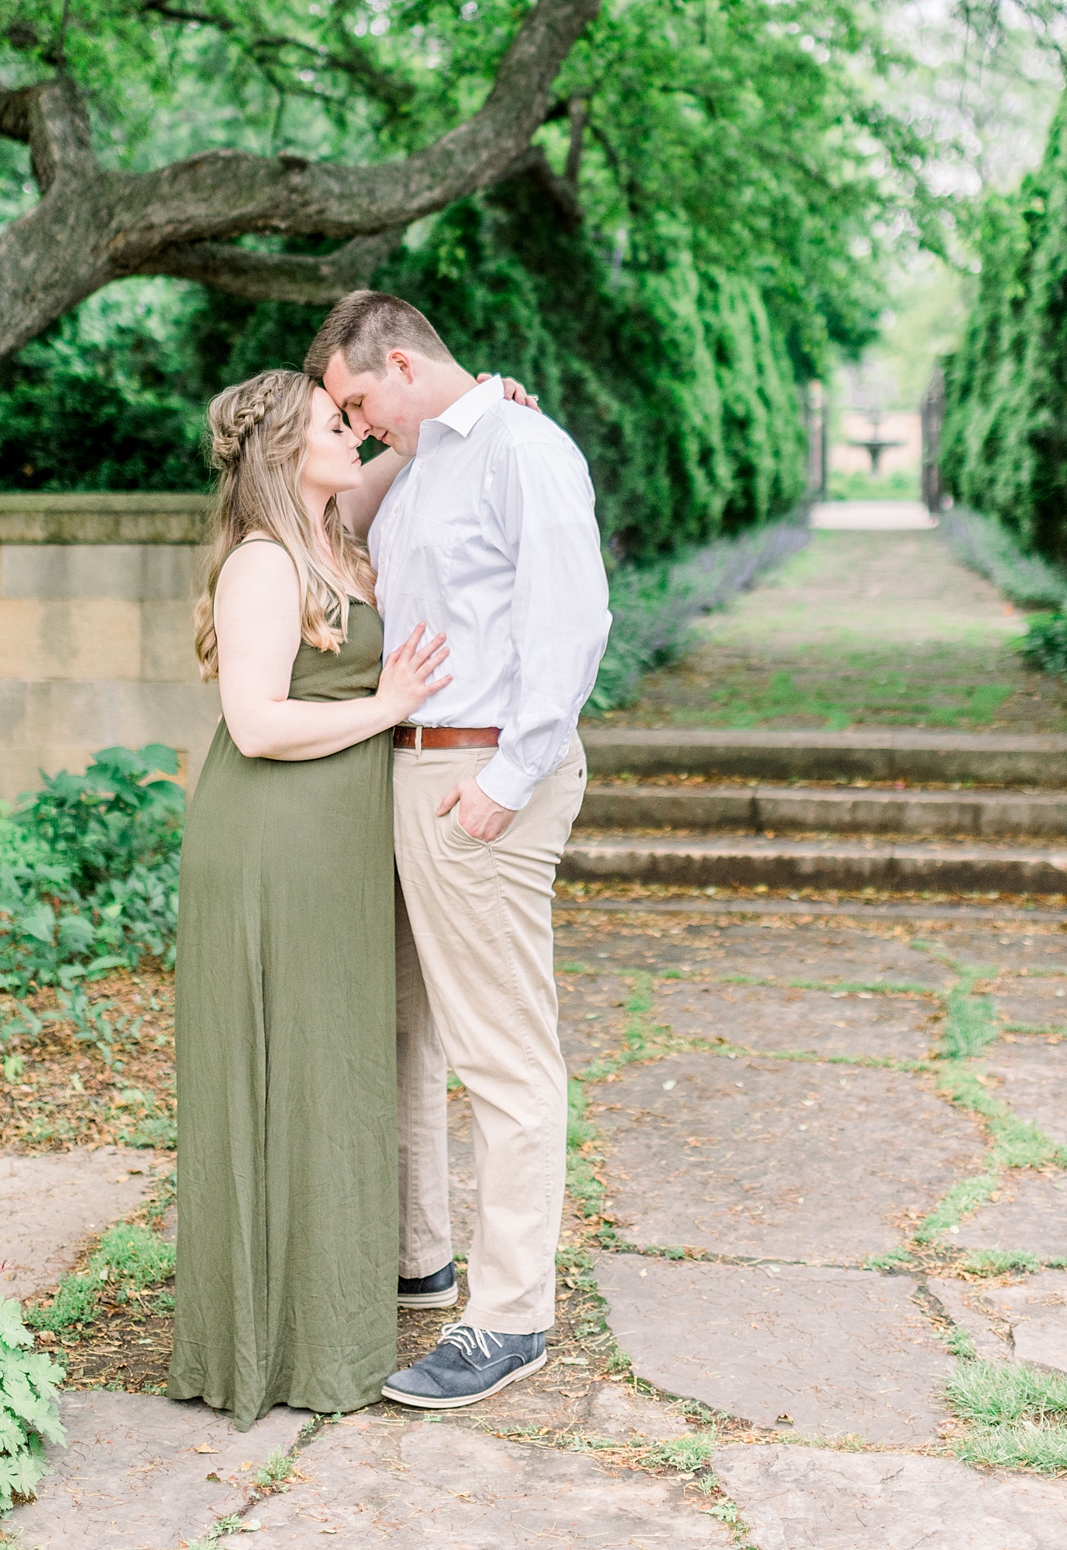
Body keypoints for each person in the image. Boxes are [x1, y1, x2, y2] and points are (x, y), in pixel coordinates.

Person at [305, 290, 612, 1411]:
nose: (352, 425)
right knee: (408, 1024)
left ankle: (511, 1318)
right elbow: (319, 503)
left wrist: (506, 779)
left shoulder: (523, 451)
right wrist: (427, 424)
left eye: (355, 401)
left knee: (504, 1054)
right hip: (412, 764)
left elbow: (573, 623)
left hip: (481, 773)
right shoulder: (425, 461)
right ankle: (423, 1255)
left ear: (397, 360)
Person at [165, 368, 452, 1425]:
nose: (356, 432)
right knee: (283, 1073)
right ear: (289, 453)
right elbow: (256, 724)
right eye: (338, 424)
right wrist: (387, 706)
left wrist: (484, 401)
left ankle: (328, 1328)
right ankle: (271, 1345)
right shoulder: (262, 563)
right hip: (272, 849)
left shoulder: (335, 533)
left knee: (334, 1074)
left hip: (337, 851)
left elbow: (411, 446)